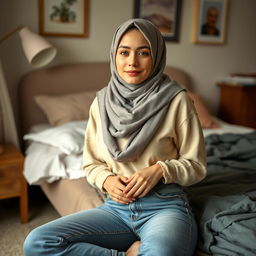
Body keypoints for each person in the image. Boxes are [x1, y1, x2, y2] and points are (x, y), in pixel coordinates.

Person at [23, 18, 207, 256]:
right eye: (124, 52)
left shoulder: (177, 100)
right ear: (114, 56)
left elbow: (197, 165)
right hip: (115, 209)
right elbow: (90, 164)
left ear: (157, 56)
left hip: (164, 206)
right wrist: (107, 180)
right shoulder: (101, 103)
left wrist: (160, 170)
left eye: (143, 52)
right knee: (37, 242)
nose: (132, 62)